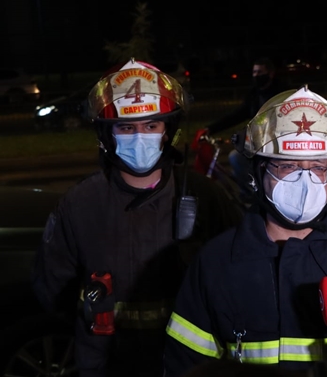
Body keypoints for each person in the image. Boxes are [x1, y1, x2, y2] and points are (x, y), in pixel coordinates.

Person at [31, 59, 242, 377]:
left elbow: (237, 276)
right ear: (107, 134)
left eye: (151, 126)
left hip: (187, 366)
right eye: (127, 127)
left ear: (167, 130)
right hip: (107, 365)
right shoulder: (79, 204)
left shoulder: (204, 196)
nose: (139, 137)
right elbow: (52, 290)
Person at [162, 86, 327, 376]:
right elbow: (186, 365)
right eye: (288, 166)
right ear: (258, 173)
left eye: (318, 168)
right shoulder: (217, 262)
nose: (304, 179)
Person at [192, 57, 289, 193]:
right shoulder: (254, 94)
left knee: (236, 158)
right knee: (238, 161)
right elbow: (238, 115)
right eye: (254, 72)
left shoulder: (281, 94)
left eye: (260, 72)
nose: (256, 75)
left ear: (271, 74)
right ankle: (249, 193)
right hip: (259, 143)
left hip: (279, 144)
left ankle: (256, 195)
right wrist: (210, 129)